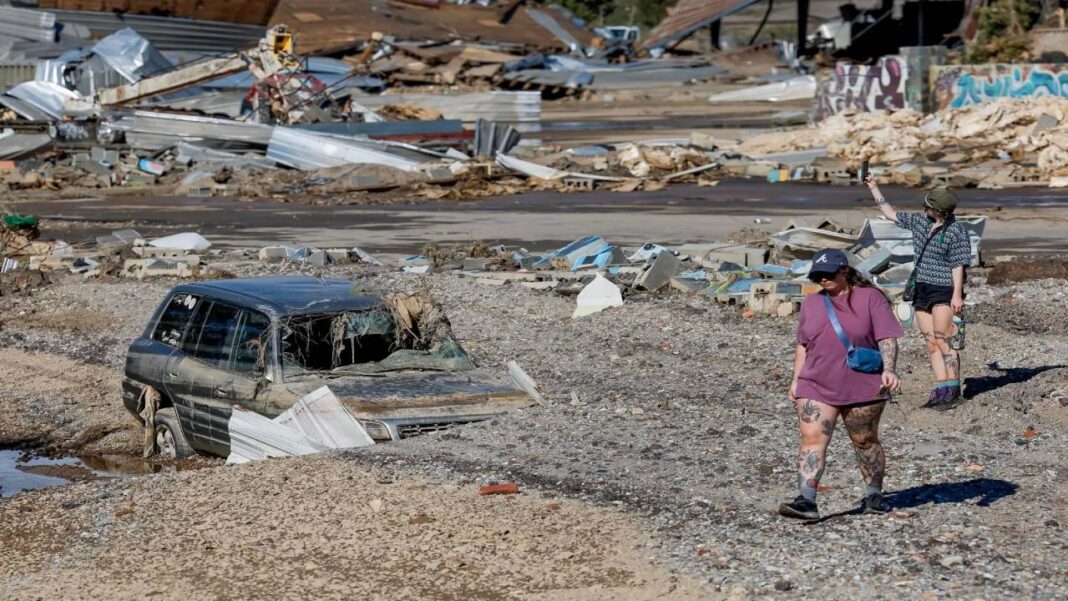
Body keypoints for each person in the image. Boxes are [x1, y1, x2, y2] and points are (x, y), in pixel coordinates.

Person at [779, 249, 904, 521]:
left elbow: (886, 338)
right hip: (816, 383)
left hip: (863, 384)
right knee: (812, 439)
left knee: (864, 441)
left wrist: (890, 369)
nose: (822, 279)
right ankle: (806, 501)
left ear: (845, 271)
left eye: (828, 274)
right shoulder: (812, 303)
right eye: (817, 275)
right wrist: (796, 379)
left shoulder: (871, 298)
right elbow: (803, 345)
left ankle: (874, 495)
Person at [864, 174, 971, 409]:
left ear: (938, 210)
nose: (923, 208)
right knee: (930, 341)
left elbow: (958, 264)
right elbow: (890, 214)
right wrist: (874, 187)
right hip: (921, 287)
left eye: (927, 206)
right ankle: (941, 387)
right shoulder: (921, 222)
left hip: (943, 289)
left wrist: (956, 295)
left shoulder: (956, 232)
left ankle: (953, 389)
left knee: (944, 341)